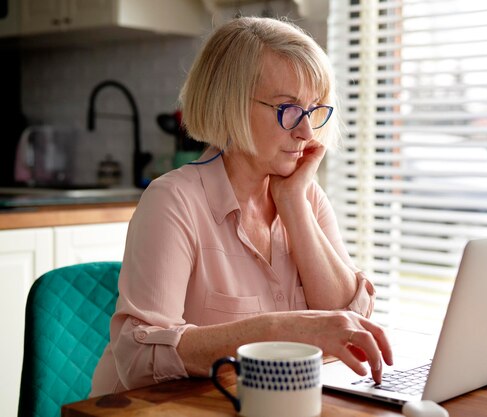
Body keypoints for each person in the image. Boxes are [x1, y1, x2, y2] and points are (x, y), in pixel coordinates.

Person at [90, 16, 393, 396]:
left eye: (314, 110)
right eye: (288, 109)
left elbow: (347, 323)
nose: (306, 131)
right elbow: (137, 358)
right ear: (229, 103)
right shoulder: (174, 200)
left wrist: (294, 204)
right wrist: (276, 329)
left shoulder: (305, 194)